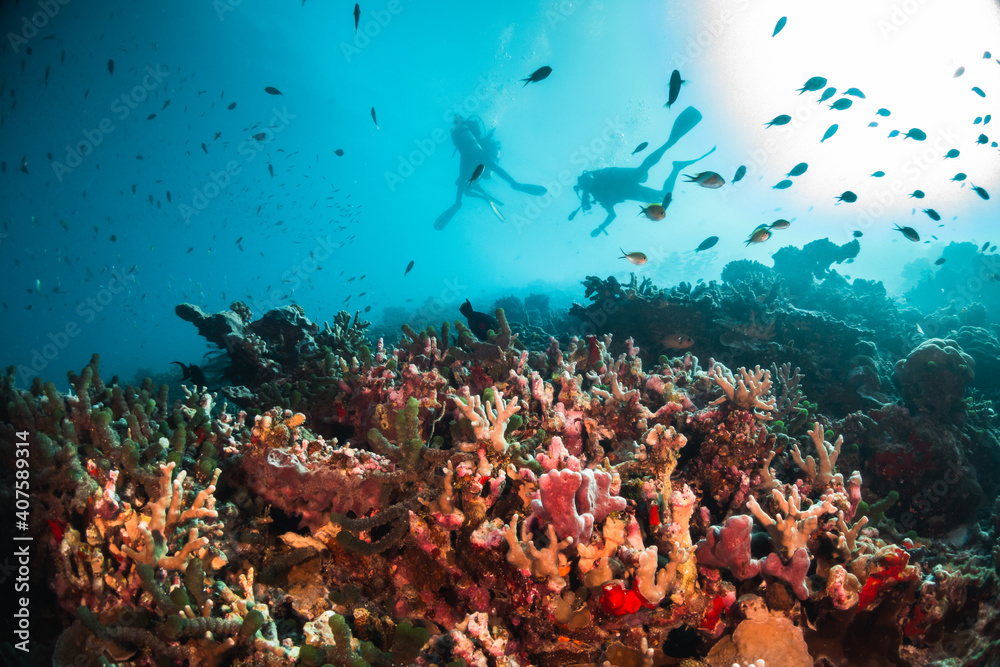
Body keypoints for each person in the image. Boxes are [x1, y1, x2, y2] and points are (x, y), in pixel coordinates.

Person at [570, 106, 716, 237]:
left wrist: (584, 197)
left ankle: (668, 144)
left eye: (584, 192)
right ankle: (676, 168)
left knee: (642, 170)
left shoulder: (590, 181)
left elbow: (588, 180)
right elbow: (612, 215)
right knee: (662, 199)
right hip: (627, 191)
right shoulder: (602, 199)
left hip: (618, 178)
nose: (587, 197)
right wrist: (601, 227)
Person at [434, 114, 547, 230]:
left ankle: (460, 202)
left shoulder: (463, 131)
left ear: (460, 120)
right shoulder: (465, 130)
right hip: (474, 156)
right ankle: (513, 185)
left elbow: (467, 156)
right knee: (474, 178)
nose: (453, 124)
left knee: (465, 181)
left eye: (455, 121)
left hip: (470, 157)